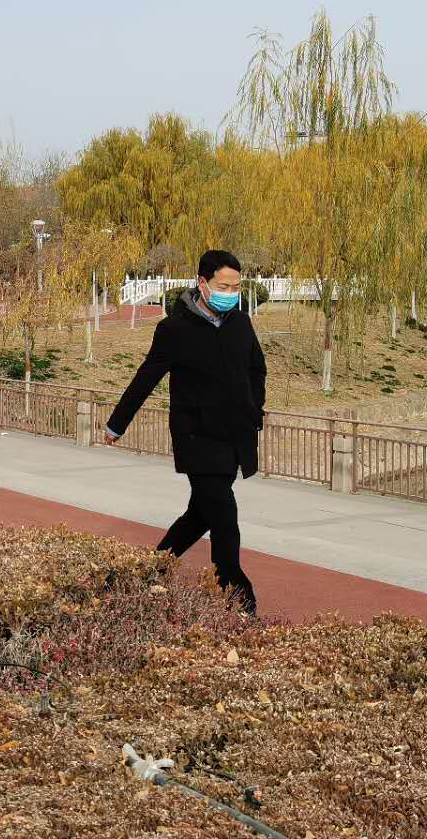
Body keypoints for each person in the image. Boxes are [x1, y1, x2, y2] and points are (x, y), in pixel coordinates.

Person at [103, 250, 266, 615]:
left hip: (234, 438)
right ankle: (237, 594)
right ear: (202, 283)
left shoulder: (241, 323)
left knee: (201, 513)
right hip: (197, 439)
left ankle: (147, 571)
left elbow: (257, 369)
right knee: (223, 514)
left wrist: (253, 409)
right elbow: (146, 378)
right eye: (223, 286)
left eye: (236, 287)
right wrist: (117, 423)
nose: (230, 293)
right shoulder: (174, 329)